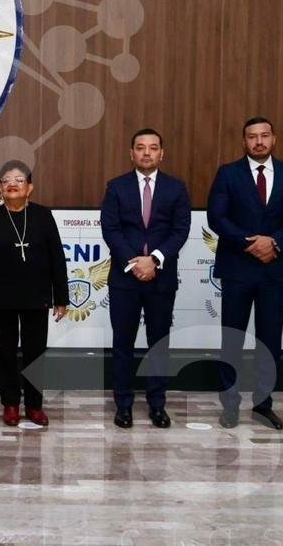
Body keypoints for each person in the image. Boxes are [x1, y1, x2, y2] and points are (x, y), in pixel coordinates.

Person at [206, 117, 283, 430]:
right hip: (238, 268)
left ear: (274, 139)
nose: (259, 141)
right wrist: (249, 243)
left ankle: (263, 405)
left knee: (270, 341)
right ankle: (230, 406)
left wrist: (274, 241)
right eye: (252, 137)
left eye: (264, 135)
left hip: (275, 270)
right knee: (232, 340)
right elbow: (217, 217)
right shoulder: (228, 173)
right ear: (244, 142)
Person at [0, 160, 68, 427]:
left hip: (36, 295)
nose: (12, 184)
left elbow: (57, 258)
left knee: (35, 352)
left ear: (29, 187)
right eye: (7, 180)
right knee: (6, 352)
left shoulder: (43, 216)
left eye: (19, 180)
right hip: (1, 296)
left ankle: (34, 404)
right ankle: (10, 402)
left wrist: (61, 297)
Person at [99, 128, 191, 429]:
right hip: (125, 278)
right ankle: (123, 405)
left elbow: (181, 230)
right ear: (132, 153)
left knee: (158, 343)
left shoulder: (176, 188)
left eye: (153, 147)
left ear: (162, 154)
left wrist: (155, 260)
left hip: (161, 278)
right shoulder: (116, 187)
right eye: (141, 147)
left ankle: (157, 405)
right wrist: (135, 261)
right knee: (122, 343)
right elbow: (111, 229)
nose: (147, 152)